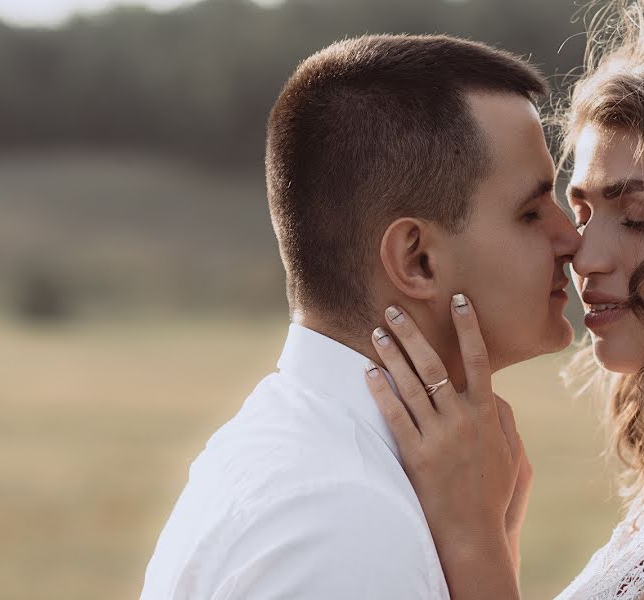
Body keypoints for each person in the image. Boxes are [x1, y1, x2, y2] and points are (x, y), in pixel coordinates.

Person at [366, 3, 644, 599]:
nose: (584, 257)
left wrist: (473, 535)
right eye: (583, 212)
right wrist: (501, 532)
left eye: (636, 217)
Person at [140, 33, 580, 599]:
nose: (570, 237)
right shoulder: (342, 523)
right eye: (530, 211)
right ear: (417, 260)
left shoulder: (311, 461)